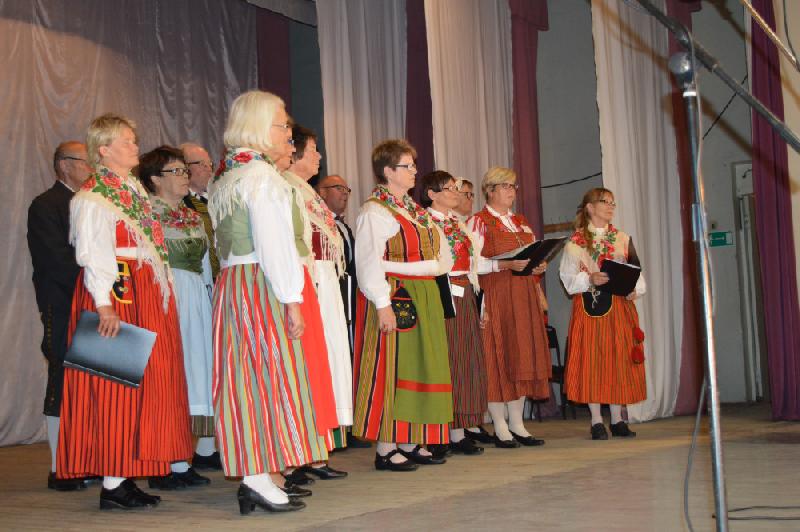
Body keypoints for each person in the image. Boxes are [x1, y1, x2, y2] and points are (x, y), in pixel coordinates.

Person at [56, 113, 193, 509]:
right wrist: (103, 305)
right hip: (118, 294)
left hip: (142, 291)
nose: (135, 147)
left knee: (144, 386)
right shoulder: (93, 197)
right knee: (115, 387)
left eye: (134, 140)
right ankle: (113, 484)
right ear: (104, 149)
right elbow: (93, 252)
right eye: (127, 141)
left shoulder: (129, 189)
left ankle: (123, 476)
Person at [208, 90, 331, 514]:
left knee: (246, 379)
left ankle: (259, 475)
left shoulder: (229, 174)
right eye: (282, 125)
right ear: (261, 127)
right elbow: (274, 243)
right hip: (260, 283)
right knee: (267, 378)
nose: (287, 133)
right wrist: (292, 298)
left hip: (234, 283)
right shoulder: (261, 177)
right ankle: (257, 479)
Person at [353, 139, 454, 471]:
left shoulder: (415, 212)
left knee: (420, 367)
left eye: (413, 165)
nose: (414, 171)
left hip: (424, 294)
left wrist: (426, 269)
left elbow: (443, 258)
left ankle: (410, 440)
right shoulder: (375, 211)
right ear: (388, 171)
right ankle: (386, 447)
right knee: (394, 368)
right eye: (407, 166)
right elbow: (367, 262)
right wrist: (382, 304)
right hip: (396, 295)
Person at [137, 146, 215, 489]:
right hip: (165, 296)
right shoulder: (146, 215)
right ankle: (162, 462)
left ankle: (181, 460)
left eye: (185, 170)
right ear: (155, 179)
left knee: (192, 374)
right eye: (177, 172)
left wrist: (209, 298)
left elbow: (205, 264)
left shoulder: (192, 216)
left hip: (195, 296)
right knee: (168, 377)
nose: (185, 176)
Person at [282, 126, 351, 481]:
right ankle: (295, 458)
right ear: (293, 152)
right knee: (309, 364)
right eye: (313, 149)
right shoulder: (285, 188)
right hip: (308, 279)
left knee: (327, 363)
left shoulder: (306, 190)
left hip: (325, 281)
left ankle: (316, 451)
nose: (319, 156)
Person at [467, 167, 550, 448]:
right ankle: (500, 425)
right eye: (505, 186)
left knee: (520, 355)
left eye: (513, 186)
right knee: (497, 356)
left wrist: (538, 265)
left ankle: (518, 423)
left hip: (523, 295)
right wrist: (503, 264)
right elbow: (470, 263)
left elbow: (532, 253)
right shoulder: (478, 222)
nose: (511, 191)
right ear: (490, 190)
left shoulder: (521, 221)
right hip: (496, 294)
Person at [27, 141, 92, 491]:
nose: (91, 167)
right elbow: (55, 261)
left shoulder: (93, 201)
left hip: (93, 305)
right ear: (64, 165)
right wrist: (94, 282)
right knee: (62, 381)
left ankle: (89, 460)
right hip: (63, 304)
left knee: (92, 383)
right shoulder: (47, 205)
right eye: (85, 161)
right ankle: (60, 466)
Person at [559, 187, 646, 440]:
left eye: (612, 203)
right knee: (593, 362)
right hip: (590, 309)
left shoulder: (622, 238)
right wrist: (590, 279)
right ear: (590, 207)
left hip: (619, 307)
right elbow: (567, 279)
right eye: (605, 202)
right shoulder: (575, 243)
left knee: (618, 360)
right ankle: (596, 420)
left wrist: (635, 289)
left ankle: (617, 419)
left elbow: (637, 272)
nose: (610, 207)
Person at [420, 171, 488, 456]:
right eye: (448, 188)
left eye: (455, 188)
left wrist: (481, 303)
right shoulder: (424, 222)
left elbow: (473, 266)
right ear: (432, 194)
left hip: (464, 292)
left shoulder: (457, 224)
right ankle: (438, 433)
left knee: (464, 361)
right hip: (441, 292)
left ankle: (458, 431)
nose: (455, 193)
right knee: (444, 361)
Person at [316, 174, 372, 450]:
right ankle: (335, 428)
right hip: (329, 295)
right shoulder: (317, 223)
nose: (345, 193)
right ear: (321, 192)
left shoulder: (344, 227)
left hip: (349, 297)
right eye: (338, 188)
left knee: (349, 356)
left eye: (346, 188)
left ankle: (349, 425)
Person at [181, 142, 219, 282]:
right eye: (202, 164)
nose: (209, 169)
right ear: (184, 168)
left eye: (210, 164)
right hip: (197, 277)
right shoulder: (180, 203)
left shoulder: (219, 197)